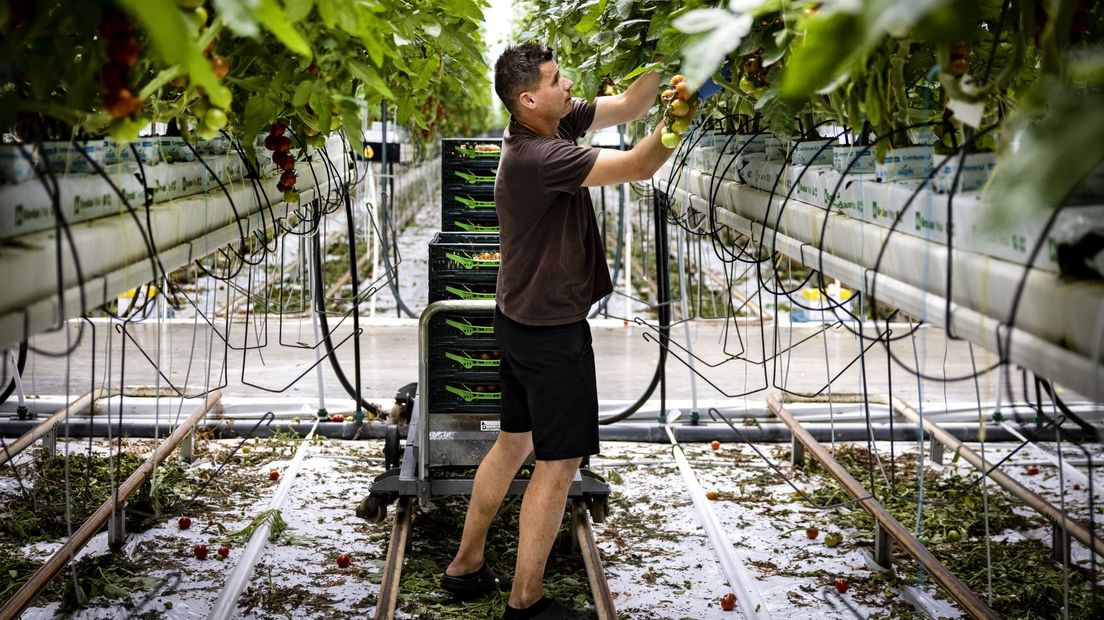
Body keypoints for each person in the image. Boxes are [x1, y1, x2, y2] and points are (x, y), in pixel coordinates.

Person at [440, 42, 694, 620]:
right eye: (557, 79)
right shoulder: (538, 157)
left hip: (518, 318)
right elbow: (636, 165)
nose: (568, 84)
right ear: (529, 98)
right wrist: (681, 117)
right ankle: (525, 603)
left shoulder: (550, 121)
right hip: (550, 331)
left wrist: (668, 48)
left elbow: (631, 105)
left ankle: (466, 565)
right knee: (559, 463)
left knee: (512, 444)